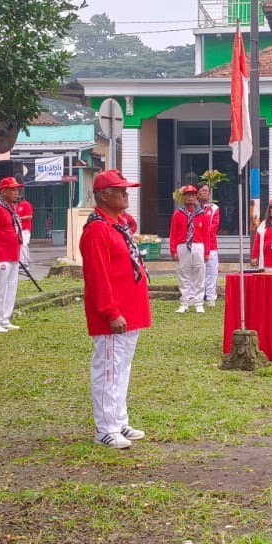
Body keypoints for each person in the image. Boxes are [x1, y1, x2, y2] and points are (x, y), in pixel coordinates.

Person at [80, 170, 151, 449]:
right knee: (108, 370)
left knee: (121, 369)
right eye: (120, 190)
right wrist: (111, 312)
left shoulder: (117, 225)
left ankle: (119, 420)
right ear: (104, 196)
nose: (126, 193)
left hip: (130, 311)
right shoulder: (97, 230)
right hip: (114, 314)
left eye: (126, 189)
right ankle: (105, 428)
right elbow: (97, 277)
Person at [0, 176, 25, 333]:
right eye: (13, 190)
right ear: (3, 191)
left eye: (17, 189)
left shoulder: (11, 208)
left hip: (13, 254)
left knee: (10, 288)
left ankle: (4, 318)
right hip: (2, 255)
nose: (16, 192)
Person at [169, 185, 210, 313]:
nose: (190, 198)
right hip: (182, 245)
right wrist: (173, 250)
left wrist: (207, 252)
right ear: (183, 197)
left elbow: (206, 234)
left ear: (196, 197)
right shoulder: (177, 214)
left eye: (192, 195)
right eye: (187, 195)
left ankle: (199, 303)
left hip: (198, 245)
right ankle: (184, 302)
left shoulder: (202, 214)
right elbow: (173, 233)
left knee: (199, 274)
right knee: (183, 274)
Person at [197, 184, 221, 306]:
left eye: (207, 191)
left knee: (211, 271)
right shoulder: (193, 209)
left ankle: (211, 297)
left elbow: (213, 227)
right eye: (202, 190)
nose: (205, 192)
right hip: (196, 246)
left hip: (211, 246)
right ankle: (198, 297)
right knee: (198, 272)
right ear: (198, 193)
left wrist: (201, 233)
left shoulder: (214, 208)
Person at [15, 189, 34, 266]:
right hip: (19, 229)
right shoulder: (17, 206)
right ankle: (22, 262)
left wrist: (19, 218)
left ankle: (26, 262)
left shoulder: (26, 204)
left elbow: (29, 216)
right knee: (20, 246)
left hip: (25, 229)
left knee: (24, 245)